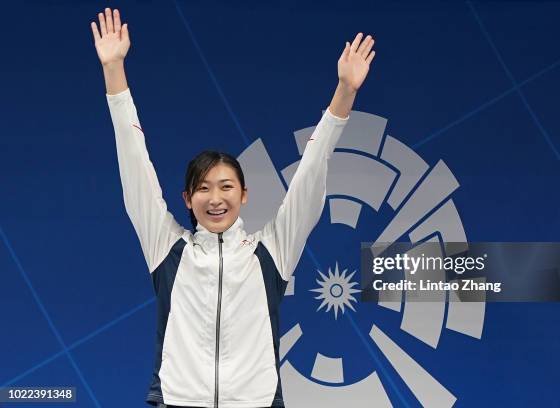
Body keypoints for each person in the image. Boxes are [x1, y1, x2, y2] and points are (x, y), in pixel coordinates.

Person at [91, 7, 375, 408]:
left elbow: (311, 175)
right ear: (187, 200)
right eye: (203, 188)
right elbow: (134, 162)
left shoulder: (270, 251)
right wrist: (114, 70)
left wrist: (345, 92)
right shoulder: (168, 250)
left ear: (244, 194)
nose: (215, 197)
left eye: (226, 186)